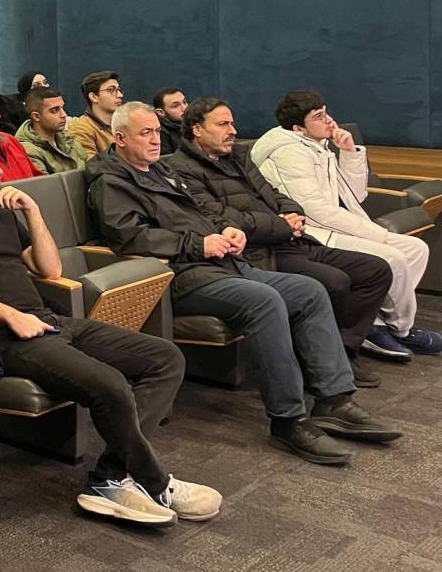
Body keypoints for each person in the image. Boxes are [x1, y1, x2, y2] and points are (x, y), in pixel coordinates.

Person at [0, 127, 218, 525]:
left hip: (47, 320)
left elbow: (50, 268)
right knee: (110, 384)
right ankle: (155, 482)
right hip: (6, 336)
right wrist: (9, 314)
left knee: (165, 357)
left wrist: (32, 211)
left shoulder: (0, 209)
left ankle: (110, 478)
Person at [88, 102, 400, 464]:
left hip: (222, 262)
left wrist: (226, 230)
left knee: (310, 292)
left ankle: (334, 399)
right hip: (180, 275)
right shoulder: (111, 182)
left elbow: (203, 213)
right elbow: (130, 236)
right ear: (119, 138)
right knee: (265, 300)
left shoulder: (161, 170)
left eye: (157, 131)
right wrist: (200, 244)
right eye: (145, 133)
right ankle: (288, 420)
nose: (156, 139)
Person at [167, 97, 391, 385]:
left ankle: (343, 350)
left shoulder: (238, 155)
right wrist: (282, 225)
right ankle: (321, 363)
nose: (233, 130)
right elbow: (220, 218)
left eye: (232, 123)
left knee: (376, 270)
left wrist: (293, 212)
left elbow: (273, 193)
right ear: (197, 129)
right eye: (223, 124)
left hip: (292, 240)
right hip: (257, 252)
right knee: (334, 281)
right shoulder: (181, 169)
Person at [251, 91, 441, 360]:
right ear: (298, 128)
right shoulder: (289, 153)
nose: (329, 120)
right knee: (394, 258)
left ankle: (380, 323)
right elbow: (314, 211)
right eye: (319, 117)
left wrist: (349, 152)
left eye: (326, 112)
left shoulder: (317, 145)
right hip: (313, 233)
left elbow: (355, 196)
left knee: (416, 249)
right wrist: (376, 233)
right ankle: (393, 330)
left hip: (335, 225)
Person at [16, 86, 87, 175]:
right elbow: (45, 183)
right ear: (36, 116)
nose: (64, 115)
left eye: (63, 108)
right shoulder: (27, 151)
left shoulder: (70, 139)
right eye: (54, 111)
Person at [68, 71, 124, 160]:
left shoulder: (123, 125)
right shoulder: (81, 129)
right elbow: (92, 165)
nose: (120, 95)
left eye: (119, 90)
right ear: (94, 97)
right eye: (111, 90)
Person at [153, 88, 187, 155]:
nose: (184, 108)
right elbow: (167, 159)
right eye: (175, 106)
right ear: (160, 112)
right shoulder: (159, 132)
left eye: (184, 102)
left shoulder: (194, 122)